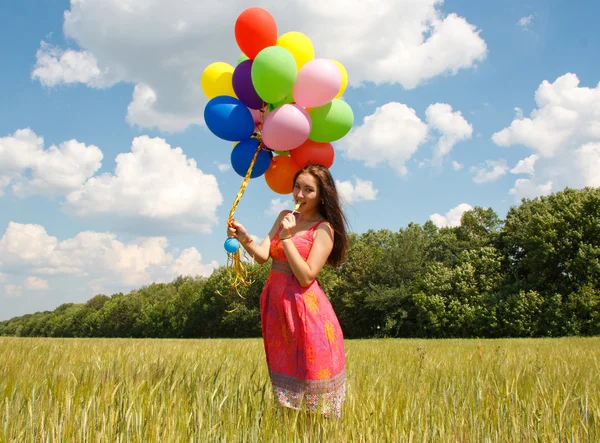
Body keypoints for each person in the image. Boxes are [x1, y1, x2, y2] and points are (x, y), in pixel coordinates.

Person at [227, 164, 349, 418]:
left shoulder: (324, 229)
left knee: (310, 375)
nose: (300, 195)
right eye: (297, 187)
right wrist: (243, 236)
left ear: (322, 195)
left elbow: (306, 277)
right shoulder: (285, 215)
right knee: (286, 381)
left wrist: (286, 238)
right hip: (277, 307)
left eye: (308, 190)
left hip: (306, 311)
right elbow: (262, 256)